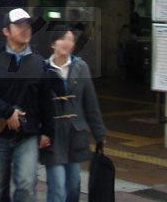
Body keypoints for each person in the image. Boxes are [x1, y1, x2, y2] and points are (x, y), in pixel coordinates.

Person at [0, 8, 53, 202]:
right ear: (6, 32)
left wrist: (48, 131)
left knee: (26, 186)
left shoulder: (38, 61)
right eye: (18, 26)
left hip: (28, 134)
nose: (25, 29)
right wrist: (8, 112)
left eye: (27, 25)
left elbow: (45, 98)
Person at [41, 25, 107, 202]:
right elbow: (36, 105)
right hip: (52, 136)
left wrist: (99, 133)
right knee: (58, 187)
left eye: (71, 40)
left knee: (74, 185)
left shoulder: (81, 67)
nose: (68, 43)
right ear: (53, 44)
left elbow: (90, 103)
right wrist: (39, 132)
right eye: (64, 39)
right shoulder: (42, 69)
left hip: (75, 134)